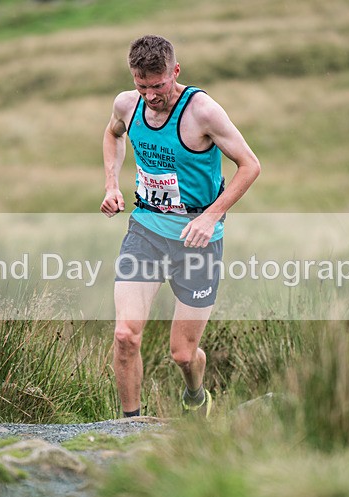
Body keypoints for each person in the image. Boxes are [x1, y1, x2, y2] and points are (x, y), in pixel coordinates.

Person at [100, 35, 260, 418]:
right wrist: (111, 184)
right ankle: (129, 427)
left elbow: (250, 165)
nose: (152, 96)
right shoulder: (127, 103)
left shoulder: (202, 111)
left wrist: (211, 216)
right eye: (143, 86)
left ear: (175, 71)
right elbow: (112, 133)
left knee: (183, 354)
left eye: (159, 85)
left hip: (198, 241)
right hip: (146, 231)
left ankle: (196, 397)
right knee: (125, 336)